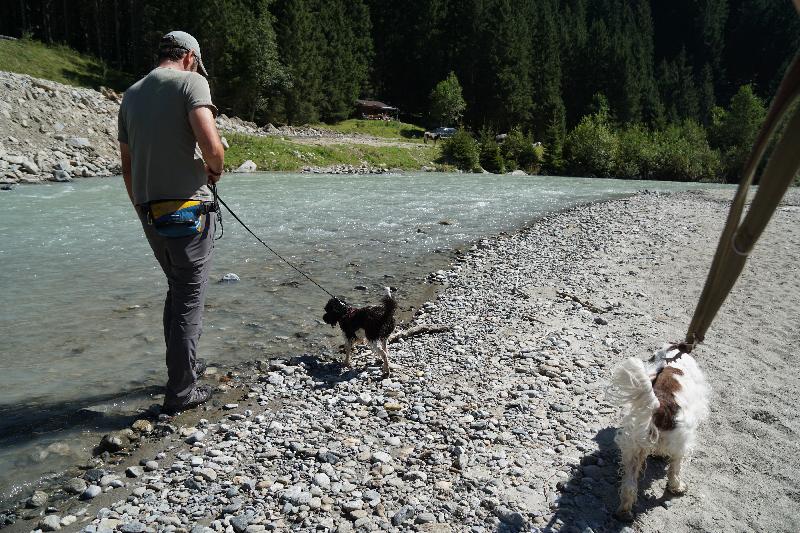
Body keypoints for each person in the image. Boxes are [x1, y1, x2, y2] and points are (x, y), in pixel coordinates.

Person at [118, 31, 225, 415]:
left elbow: (127, 166)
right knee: (189, 300)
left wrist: (140, 207)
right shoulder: (191, 83)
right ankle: (181, 391)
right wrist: (214, 170)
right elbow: (211, 147)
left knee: (177, 291)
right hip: (188, 211)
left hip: (149, 211)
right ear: (190, 57)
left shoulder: (131, 94)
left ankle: (183, 368)